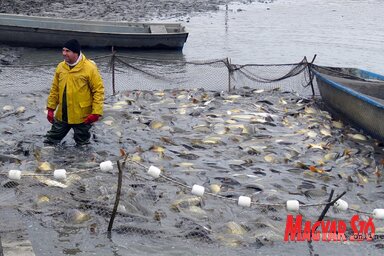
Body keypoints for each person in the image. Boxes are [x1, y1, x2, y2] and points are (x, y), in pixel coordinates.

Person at [44, 39, 104, 146]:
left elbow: (98, 91)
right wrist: (50, 108)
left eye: (67, 51)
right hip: (62, 115)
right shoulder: (60, 67)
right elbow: (55, 89)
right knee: (50, 141)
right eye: (63, 50)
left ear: (75, 52)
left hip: (82, 117)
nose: (64, 53)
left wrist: (96, 112)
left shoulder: (90, 68)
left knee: (83, 145)